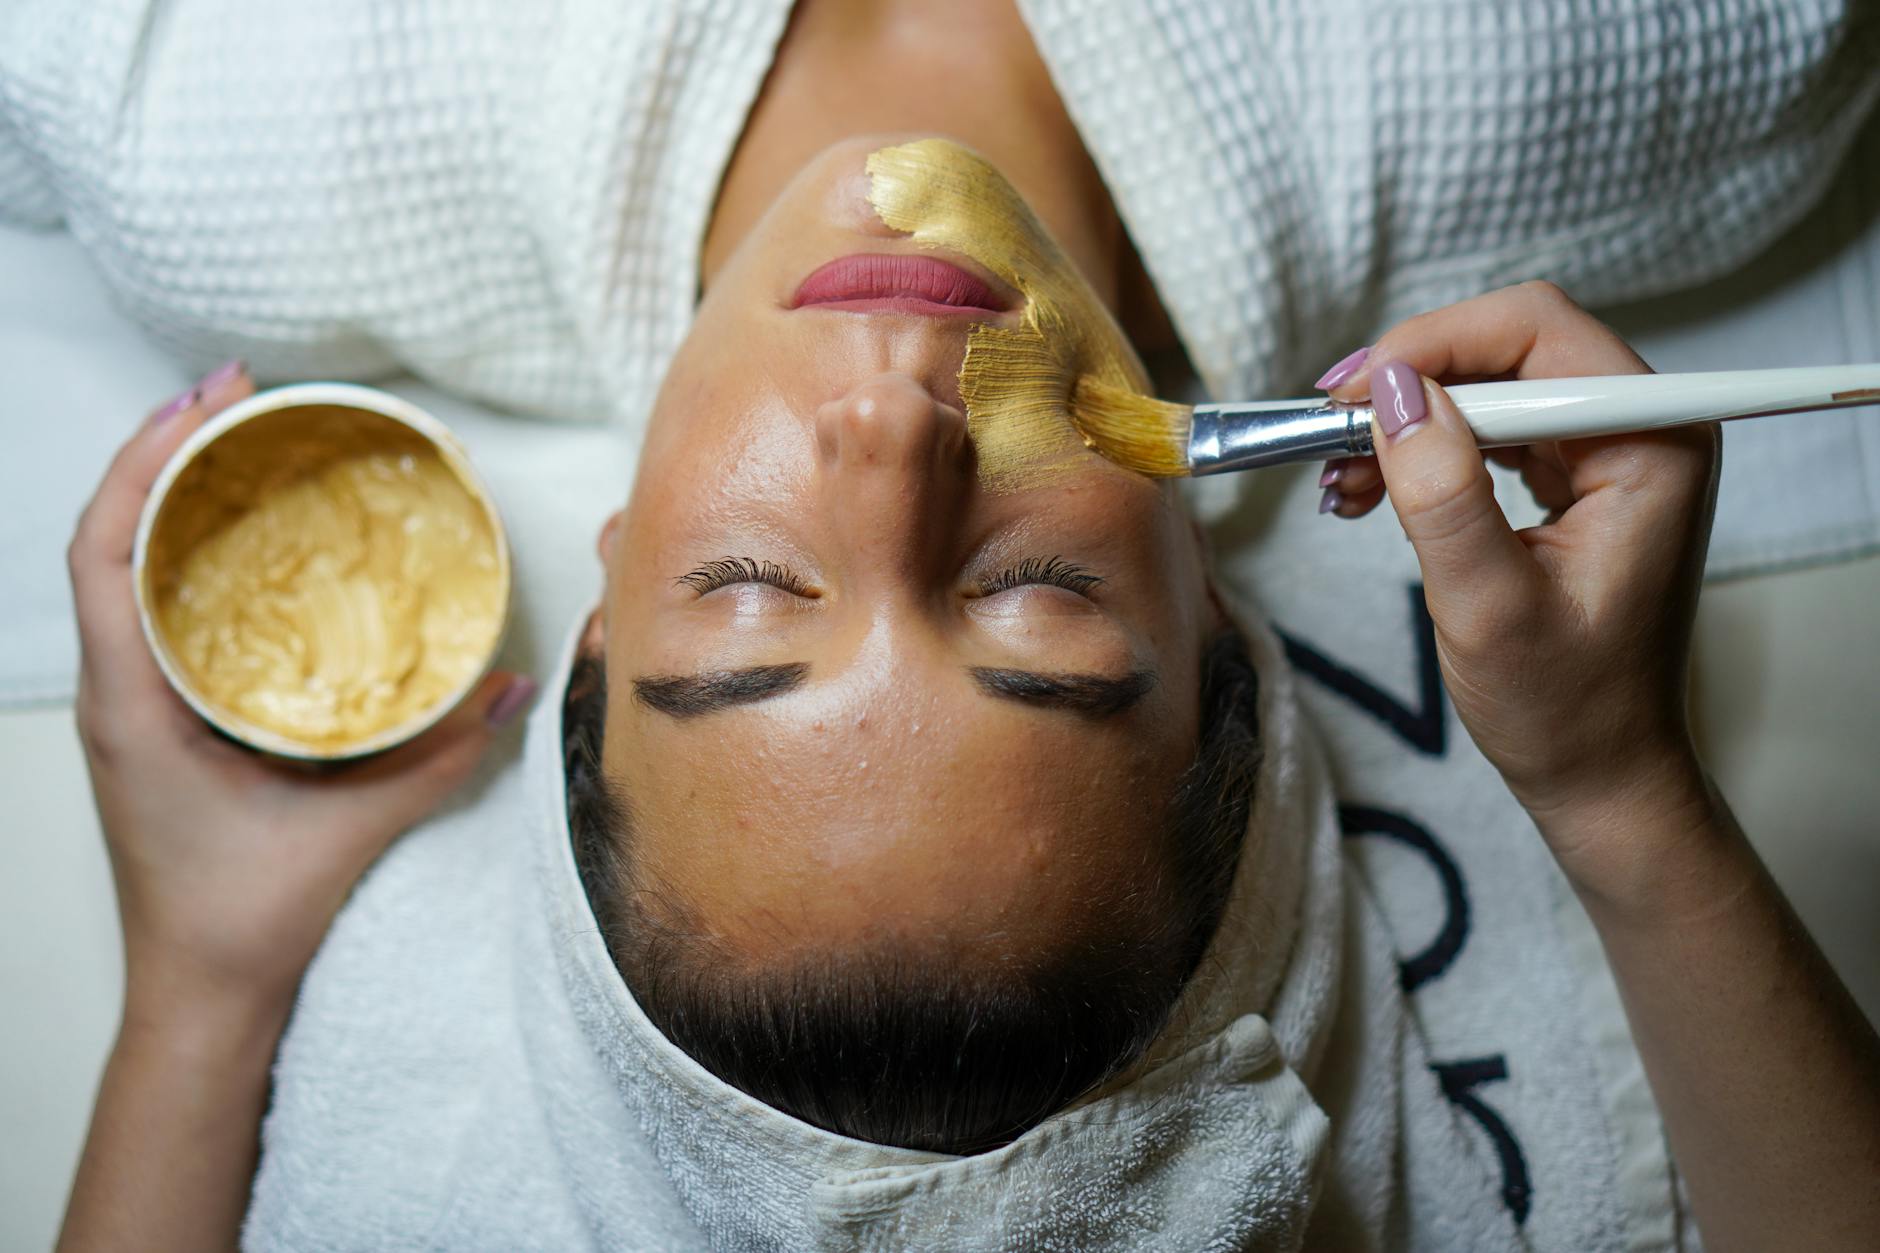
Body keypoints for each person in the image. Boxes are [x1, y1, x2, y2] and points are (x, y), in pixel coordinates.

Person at [28, 2, 1880, 1250]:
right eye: (1035, 594)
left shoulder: (186, 117)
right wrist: (1623, 792)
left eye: (753, 588)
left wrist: (196, 975)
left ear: (601, 589)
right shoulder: (1676, 56)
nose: (892, 438)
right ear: (1215, 598)